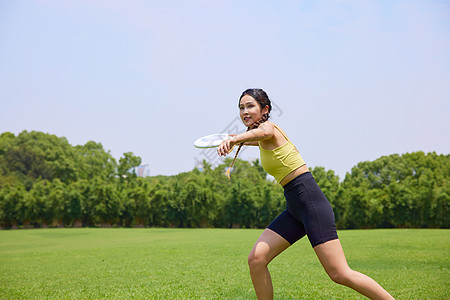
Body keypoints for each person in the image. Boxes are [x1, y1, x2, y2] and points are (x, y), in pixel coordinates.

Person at [217, 88, 394, 300]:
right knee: (256, 259)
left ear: (264, 109)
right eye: (241, 108)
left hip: (310, 203)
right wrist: (233, 139)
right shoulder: (262, 139)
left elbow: (262, 133)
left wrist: (237, 140)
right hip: (294, 208)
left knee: (339, 273)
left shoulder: (270, 128)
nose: (245, 111)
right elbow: (256, 139)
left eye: (250, 106)